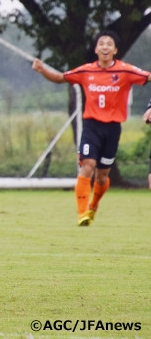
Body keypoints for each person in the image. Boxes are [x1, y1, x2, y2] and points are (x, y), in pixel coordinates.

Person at [32, 30, 151, 226]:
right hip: (91, 127)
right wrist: (42, 70)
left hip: (113, 129)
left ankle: (93, 206)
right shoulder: (86, 71)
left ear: (115, 50)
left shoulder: (125, 71)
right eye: (101, 43)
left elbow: (148, 77)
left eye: (109, 44)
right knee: (87, 166)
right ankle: (82, 214)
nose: (105, 46)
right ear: (96, 49)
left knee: (102, 177)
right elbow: (61, 78)